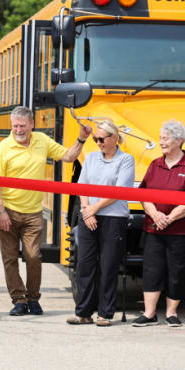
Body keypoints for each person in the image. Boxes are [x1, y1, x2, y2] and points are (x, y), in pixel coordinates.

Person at [0, 105, 91, 316]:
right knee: (9, 258)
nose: (18, 130)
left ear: (32, 125)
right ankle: (19, 300)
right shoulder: (4, 147)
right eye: (15, 126)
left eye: (22, 126)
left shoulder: (42, 141)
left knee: (34, 256)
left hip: (33, 213)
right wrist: (0, 212)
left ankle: (33, 298)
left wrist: (81, 140)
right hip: (8, 210)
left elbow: (68, 156)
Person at [131, 120, 185, 327]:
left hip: (181, 231)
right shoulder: (155, 164)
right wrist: (155, 214)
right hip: (154, 228)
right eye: (160, 137)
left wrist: (169, 218)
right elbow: (143, 193)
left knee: (177, 270)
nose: (161, 142)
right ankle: (149, 313)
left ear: (179, 140)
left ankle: (171, 313)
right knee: (152, 270)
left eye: (165, 138)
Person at [67, 119, 135, 327]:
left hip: (113, 218)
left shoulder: (126, 159)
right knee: (85, 264)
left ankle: (105, 313)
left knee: (108, 265)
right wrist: (87, 211)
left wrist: (94, 209)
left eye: (101, 139)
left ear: (114, 138)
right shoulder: (91, 158)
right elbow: (83, 186)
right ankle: (83, 312)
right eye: (95, 139)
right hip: (89, 215)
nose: (98, 143)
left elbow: (119, 190)